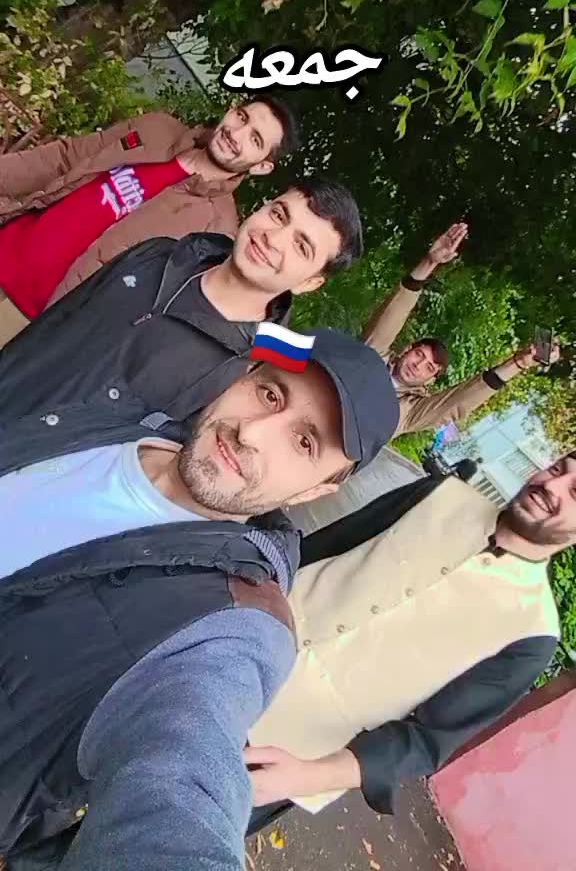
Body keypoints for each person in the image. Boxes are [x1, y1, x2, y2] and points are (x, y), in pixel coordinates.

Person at [0, 329, 399, 870]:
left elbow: (183, 769)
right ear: (242, 377)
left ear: (317, 489)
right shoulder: (123, 419)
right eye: (270, 394)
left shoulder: (234, 623)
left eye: (304, 442)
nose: (251, 432)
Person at [246, 453, 572, 831]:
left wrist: (306, 777)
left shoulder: (533, 632)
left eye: (575, 492)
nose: (551, 485)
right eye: (556, 469)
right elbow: (324, 546)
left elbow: (427, 739)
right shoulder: (441, 494)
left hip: (279, 753)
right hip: (229, 642)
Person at [0, 178, 363, 478]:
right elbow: (56, 322)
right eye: (279, 214)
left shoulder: (246, 373)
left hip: (25, 477)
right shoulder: (158, 254)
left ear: (310, 283)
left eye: (301, 246)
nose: (274, 237)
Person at [0, 96, 300, 347]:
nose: (236, 134)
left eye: (255, 139)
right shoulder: (156, 129)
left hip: (27, 317)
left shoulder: (215, 230)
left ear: (262, 166)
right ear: (232, 109)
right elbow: (64, 158)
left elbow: (145, 313)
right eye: (242, 117)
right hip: (8, 242)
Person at [363, 222, 561, 436]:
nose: (418, 366)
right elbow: (388, 321)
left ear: (431, 380)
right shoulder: (371, 357)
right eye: (419, 355)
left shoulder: (411, 411)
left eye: (429, 368)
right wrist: (429, 262)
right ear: (406, 349)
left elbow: (458, 401)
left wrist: (518, 363)